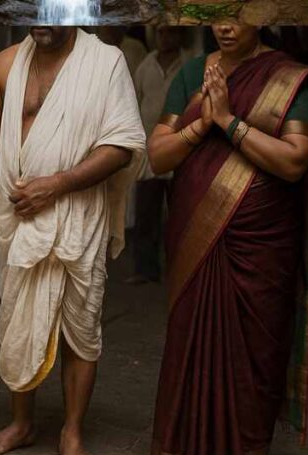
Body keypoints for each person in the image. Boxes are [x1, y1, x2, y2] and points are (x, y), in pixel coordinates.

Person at [147, 23, 308, 455]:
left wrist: (227, 121)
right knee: (191, 340)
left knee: (254, 351)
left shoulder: (288, 79)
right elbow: (158, 155)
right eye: (217, 13)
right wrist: (201, 123)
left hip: (260, 247)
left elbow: (294, 162)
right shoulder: (193, 72)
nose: (225, 26)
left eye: (238, 13)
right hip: (195, 236)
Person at [0, 27, 145, 455]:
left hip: (77, 218)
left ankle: (72, 431)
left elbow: (122, 145)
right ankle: (22, 422)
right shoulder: (5, 64)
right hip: (20, 220)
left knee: (80, 329)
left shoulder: (105, 64)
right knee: (17, 320)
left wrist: (58, 184)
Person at [126, 26, 190, 285]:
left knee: (181, 216)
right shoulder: (146, 64)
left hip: (181, 150)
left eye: (171, 33)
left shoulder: (190, 64)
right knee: (146, 215)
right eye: (162, 33)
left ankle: (182, 270)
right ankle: (146, 269)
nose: (166, 38)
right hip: (149, 151)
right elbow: (134, 99)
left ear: (180, 36)